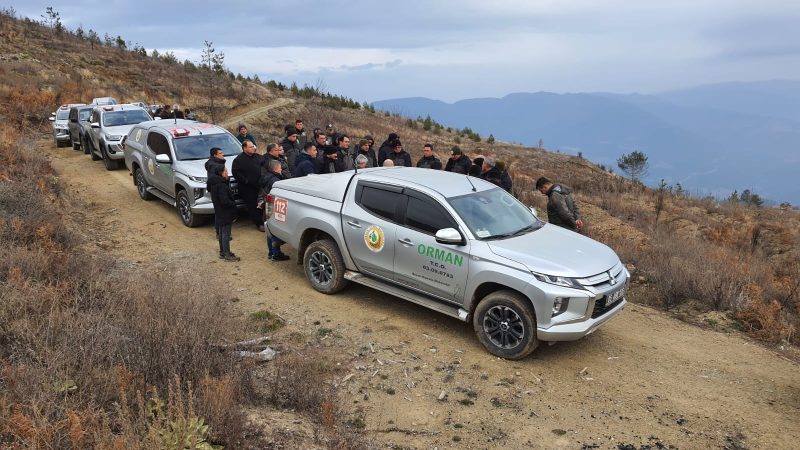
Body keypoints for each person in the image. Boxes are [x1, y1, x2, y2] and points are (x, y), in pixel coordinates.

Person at [258, 159, 290, 261]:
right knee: (274, 229)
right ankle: (275, 254)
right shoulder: (275, 180)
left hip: (267, 205)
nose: (281, 169)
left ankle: (272, 252)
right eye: (280, 168)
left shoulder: (266, 177)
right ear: (276, 168)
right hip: (273, 205)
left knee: (269, 229)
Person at [207, 164, 240, 262]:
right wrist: (233, 204)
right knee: (226, 233)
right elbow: (224, 201)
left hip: (219, 211)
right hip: (225, 212)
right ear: (221, 173)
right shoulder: (221, 185)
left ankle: (223, 252)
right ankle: (227, 254)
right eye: (225, 171)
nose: (227, 173)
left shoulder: (214, 183)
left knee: (221, 233)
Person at [232, 140, 264, 231]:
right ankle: (259, 223)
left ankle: (264, 220)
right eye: (250, 147)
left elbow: (264, 163)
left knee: (261, 204)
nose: (253, 148)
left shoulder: (257, 156)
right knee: (252, 206)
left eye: (253, 146)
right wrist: (246, 181)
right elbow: (236, 173)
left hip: (260, 186)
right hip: (248, 189)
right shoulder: (238, 160)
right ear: (244, 148)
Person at [205, 147, 227, 238]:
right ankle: (220, 233)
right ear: (215, 155)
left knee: (222, 211)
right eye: (221, 153)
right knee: (219, 212)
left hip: (220, 189)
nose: (223, 154)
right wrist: (224, 179)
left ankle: (222, 232)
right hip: (217, 190)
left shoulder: (218, 163)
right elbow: (211, 179)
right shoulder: (213, 165)